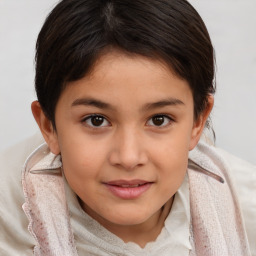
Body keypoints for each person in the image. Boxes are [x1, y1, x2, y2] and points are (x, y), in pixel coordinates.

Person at [0, 0, 255, 255]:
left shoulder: (246, 210)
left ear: (197, 122)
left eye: (159, 120)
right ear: (49, 127)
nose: (129, 157)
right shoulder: (8, 220)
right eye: (96, 120)